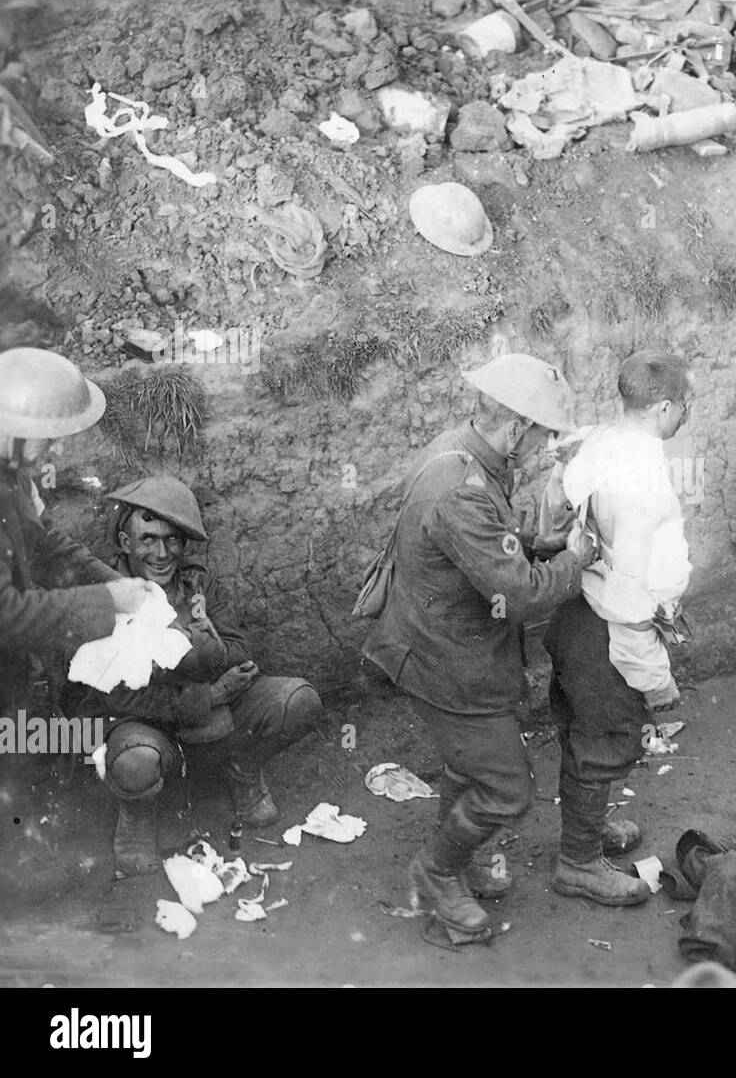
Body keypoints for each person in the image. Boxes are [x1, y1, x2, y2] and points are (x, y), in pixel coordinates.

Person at [362, 353, 598, 943]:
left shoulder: (465, 452)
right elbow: (518, 593)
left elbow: (487, 542)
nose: (547, 447)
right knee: (507, 789)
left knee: (470, 768)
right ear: (517, 427)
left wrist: (532, 541)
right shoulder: (460, 488)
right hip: (445, 663)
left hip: (447, 646)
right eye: (544, 434)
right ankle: (437, 872)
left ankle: (456, 865)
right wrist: (577, 558)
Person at [97, 475, 323, 876]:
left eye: (173, 540)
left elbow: (239, 649)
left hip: (215, 720)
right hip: (150, 727)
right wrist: (210, 692)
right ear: (125, 543)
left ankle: (242, 770)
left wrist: (206, 650)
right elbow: (115, 697)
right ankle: (136, 817)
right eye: (148, 539)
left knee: (298, 701)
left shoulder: (198, 582)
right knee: (135, 762)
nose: (162, 552)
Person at [541, 351, 693, 907]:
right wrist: (653, 671)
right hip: (609, 622)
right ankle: (578, 863)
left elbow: (554, 516)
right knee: (605, 738)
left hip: (575, 611)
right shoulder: (641, 473)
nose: (687, 414)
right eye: (686, 405)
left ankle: (587, 829)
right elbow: (633, 583)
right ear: (663, 407)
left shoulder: (597, 442)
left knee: (582, 731)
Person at [0, 348, 152, 900]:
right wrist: (105, 603)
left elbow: (41, 545)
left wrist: (110, 581)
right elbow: (8, 612)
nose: (59, 449)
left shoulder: (12, 477)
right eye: (49, 436)